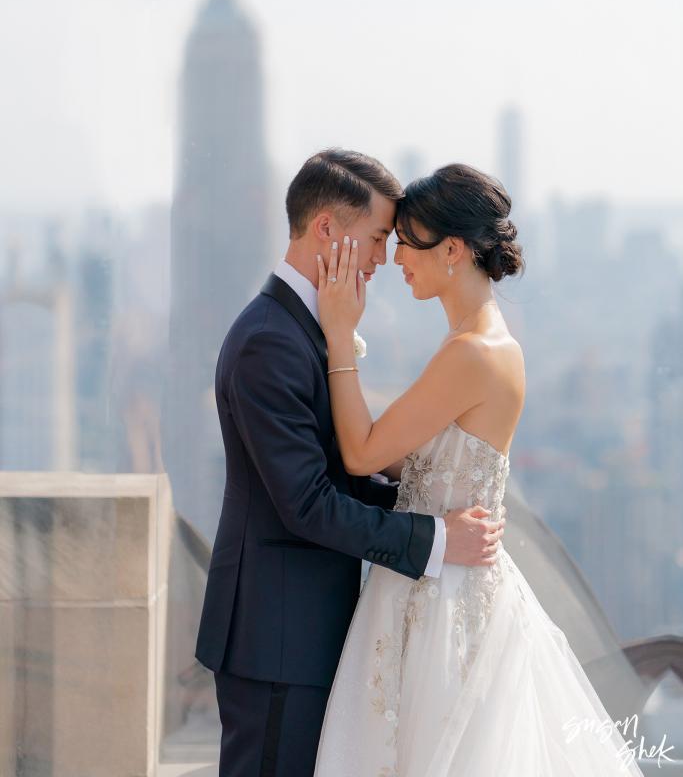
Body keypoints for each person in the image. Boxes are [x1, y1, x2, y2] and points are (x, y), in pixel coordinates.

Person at [312, 162, 645, 776]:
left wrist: (338, 334)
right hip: (446, 577)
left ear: (454, 250)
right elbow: (398, 457)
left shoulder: (471, 354)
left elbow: (363, 454)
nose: (397, 260)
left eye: (408, 243)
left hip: (441, 595)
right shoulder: (484, 342)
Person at [194, 150, 506, 777]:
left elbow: (341, 474)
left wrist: (421, 498)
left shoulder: (302, 331)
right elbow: (307, 503)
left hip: (302, 632)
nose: (383, 260)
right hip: (277, 641)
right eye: (376, 239)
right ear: (328, 231)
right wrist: (436, 537)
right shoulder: (268, 342)